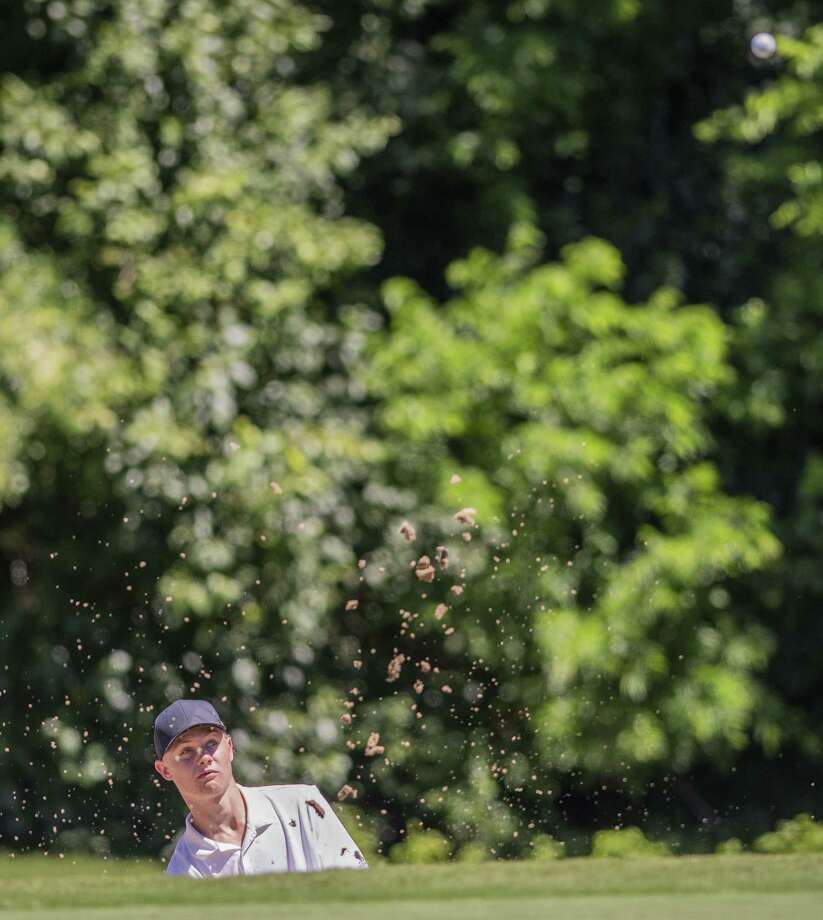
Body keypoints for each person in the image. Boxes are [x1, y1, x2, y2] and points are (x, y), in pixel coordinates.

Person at [153, 698, 368, 878]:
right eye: (187, 752)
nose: (204, 758)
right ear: (164, 770)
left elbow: (357, 893)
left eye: (211, 743)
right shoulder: (183, 874)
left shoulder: (304, 804)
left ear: (229, 747)